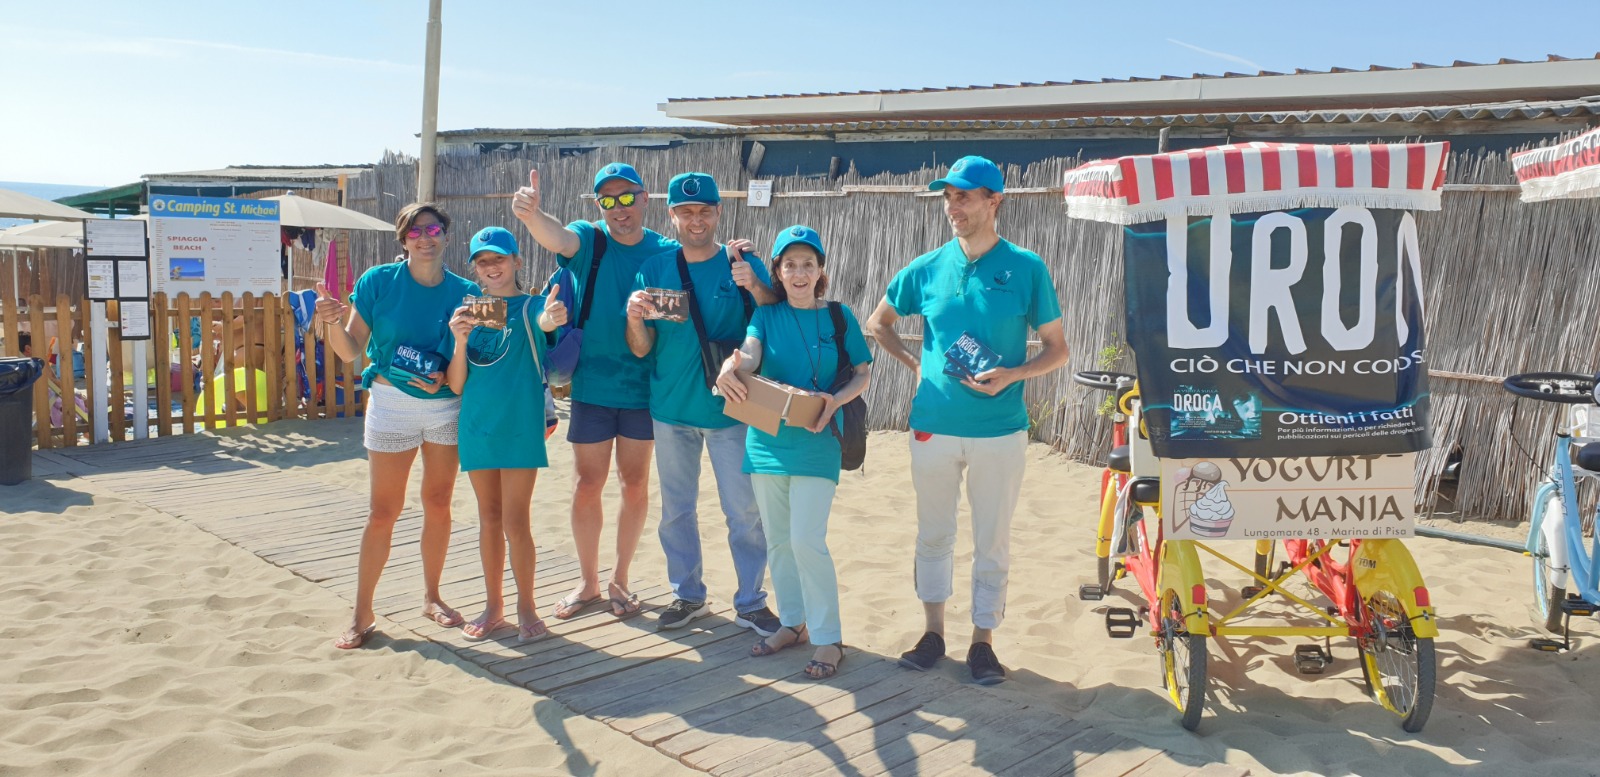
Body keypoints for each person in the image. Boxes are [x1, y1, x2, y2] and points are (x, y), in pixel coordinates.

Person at [865, 156, 1070, 684]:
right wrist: (915, 366)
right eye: (948, 197)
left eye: (965, 196)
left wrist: (1013, 374)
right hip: (932, 424)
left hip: (1001, 429)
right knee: (932, 535)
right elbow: (878, 322)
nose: (954, 207)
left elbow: (1058, 350)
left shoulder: (1027, 267)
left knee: (992, 540)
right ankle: (933, 633)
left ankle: (983, 642)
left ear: (993, 200)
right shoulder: (926, 267)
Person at [508, 163, 669, 619]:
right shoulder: (590, 239)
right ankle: (589, 582)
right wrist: (530, 216)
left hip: (644, 388)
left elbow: (699, 268)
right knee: (586, 485)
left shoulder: (665, 250)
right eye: (609, 200)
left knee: (635, 485)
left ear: (645, 197)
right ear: (599, 205)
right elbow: (557, 237)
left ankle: (620, 580)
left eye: (627, 197)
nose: (620, 208)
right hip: (593, 387)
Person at [317, 202, 479, 649]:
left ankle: (432, 596)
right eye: (414, 232)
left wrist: (445, 375)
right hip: (390, 405)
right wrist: (331, 322)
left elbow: (468, 358)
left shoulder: (466, 291)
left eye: (433, 229)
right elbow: (350, 351)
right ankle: (362, 611)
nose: (425, 238)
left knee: (439, 503)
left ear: (446, 235)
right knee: (382, 513)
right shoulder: (377, 282)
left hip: (445, 407)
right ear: (402, 239)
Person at [626, 172, 781, 635]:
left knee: (745, 513)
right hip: (670, 410)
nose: (696, 220)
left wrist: (753, 283)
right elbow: (639, 348)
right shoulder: (654, 269)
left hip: (730, 411)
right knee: (676, 510)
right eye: (686, 212)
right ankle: (687, 595)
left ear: (718, 213)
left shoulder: (740, 261)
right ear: (671, 215)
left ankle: (751, 601)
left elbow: (775, 315)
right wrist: (635, 317)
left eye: (705, 211)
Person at [715, 225, 872, 680]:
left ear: (820, 270)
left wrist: (835, 401)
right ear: (778, 273)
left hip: (819, 440)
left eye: (808, 264)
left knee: (807, 540)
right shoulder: (766, 317)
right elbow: (748, 352)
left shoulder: (840, 317)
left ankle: (828, 638)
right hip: (765, 444)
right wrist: (731, 366)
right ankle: (792, 622)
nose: (799, 273)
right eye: (790, 265)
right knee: (779, 541)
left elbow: (862, 372)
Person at [445, 227, 558, 643]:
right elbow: (457, 384)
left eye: (500, 259)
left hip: (519, 429)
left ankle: (526, 606)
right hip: (476, 426)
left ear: (517, 261)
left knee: (517, 521)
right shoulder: (467, 312)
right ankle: (494, 606)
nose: (492, 268)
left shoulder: (531, 307)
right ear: (474, 268)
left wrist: (553, 318)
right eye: (483, 261)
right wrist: (459, 340)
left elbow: (545, 321)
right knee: (488, 519)